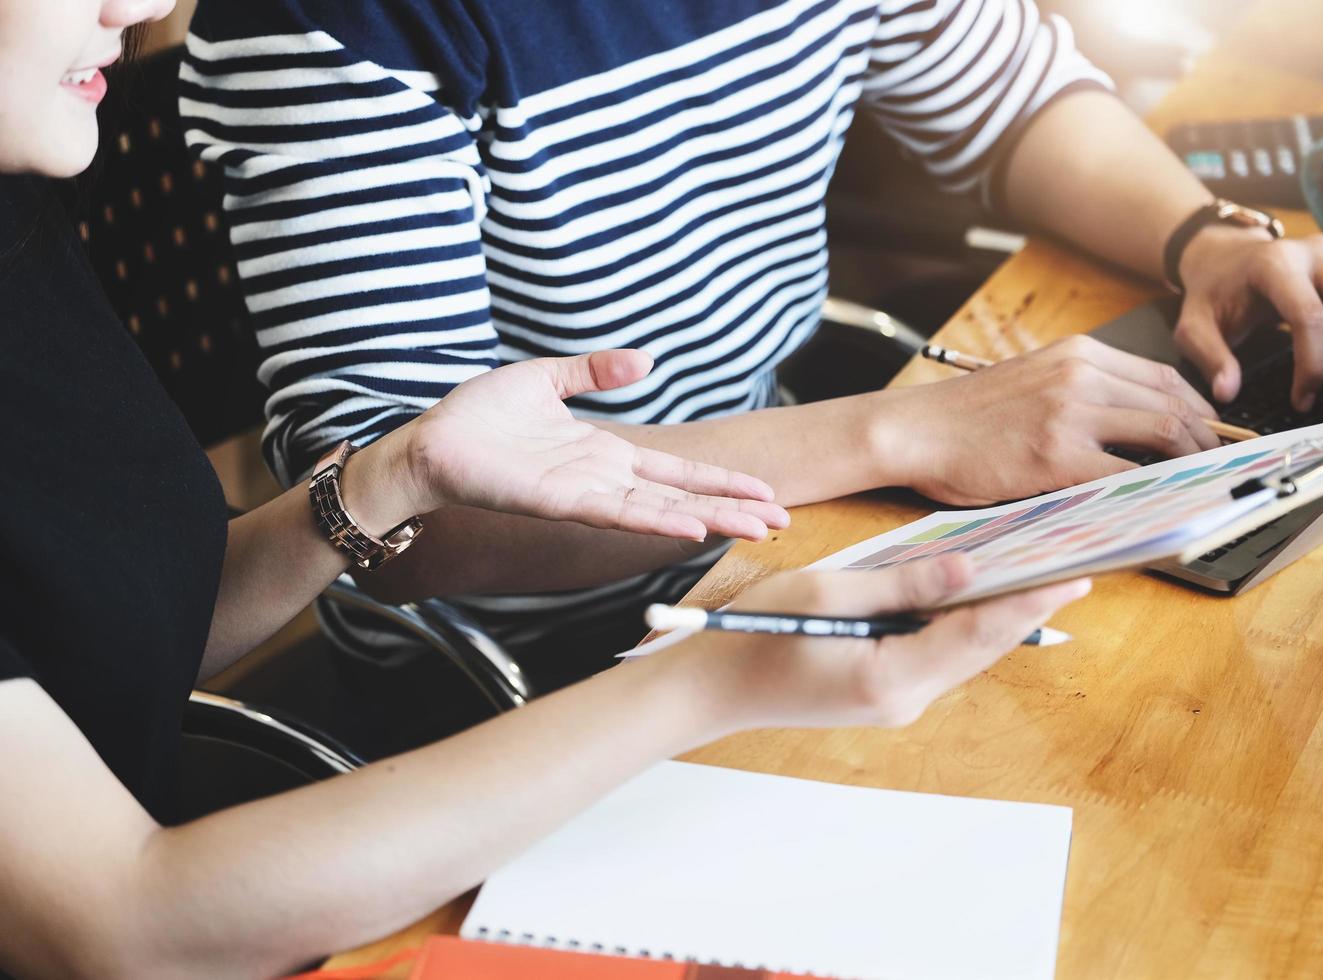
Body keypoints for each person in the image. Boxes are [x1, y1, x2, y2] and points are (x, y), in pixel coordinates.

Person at [0, 2, 1092, 976]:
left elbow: (120, 630)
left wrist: (392, 477)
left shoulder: (24, 209)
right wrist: (709, 674)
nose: (145, 7)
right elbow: (124, 922)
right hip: (282, 834)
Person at [180, 0, 1323, 688]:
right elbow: (406, 522)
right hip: (519, 668)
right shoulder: (329, 20)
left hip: (782, 537)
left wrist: (1200, 235)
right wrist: (901, 430)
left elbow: (1012, 94)